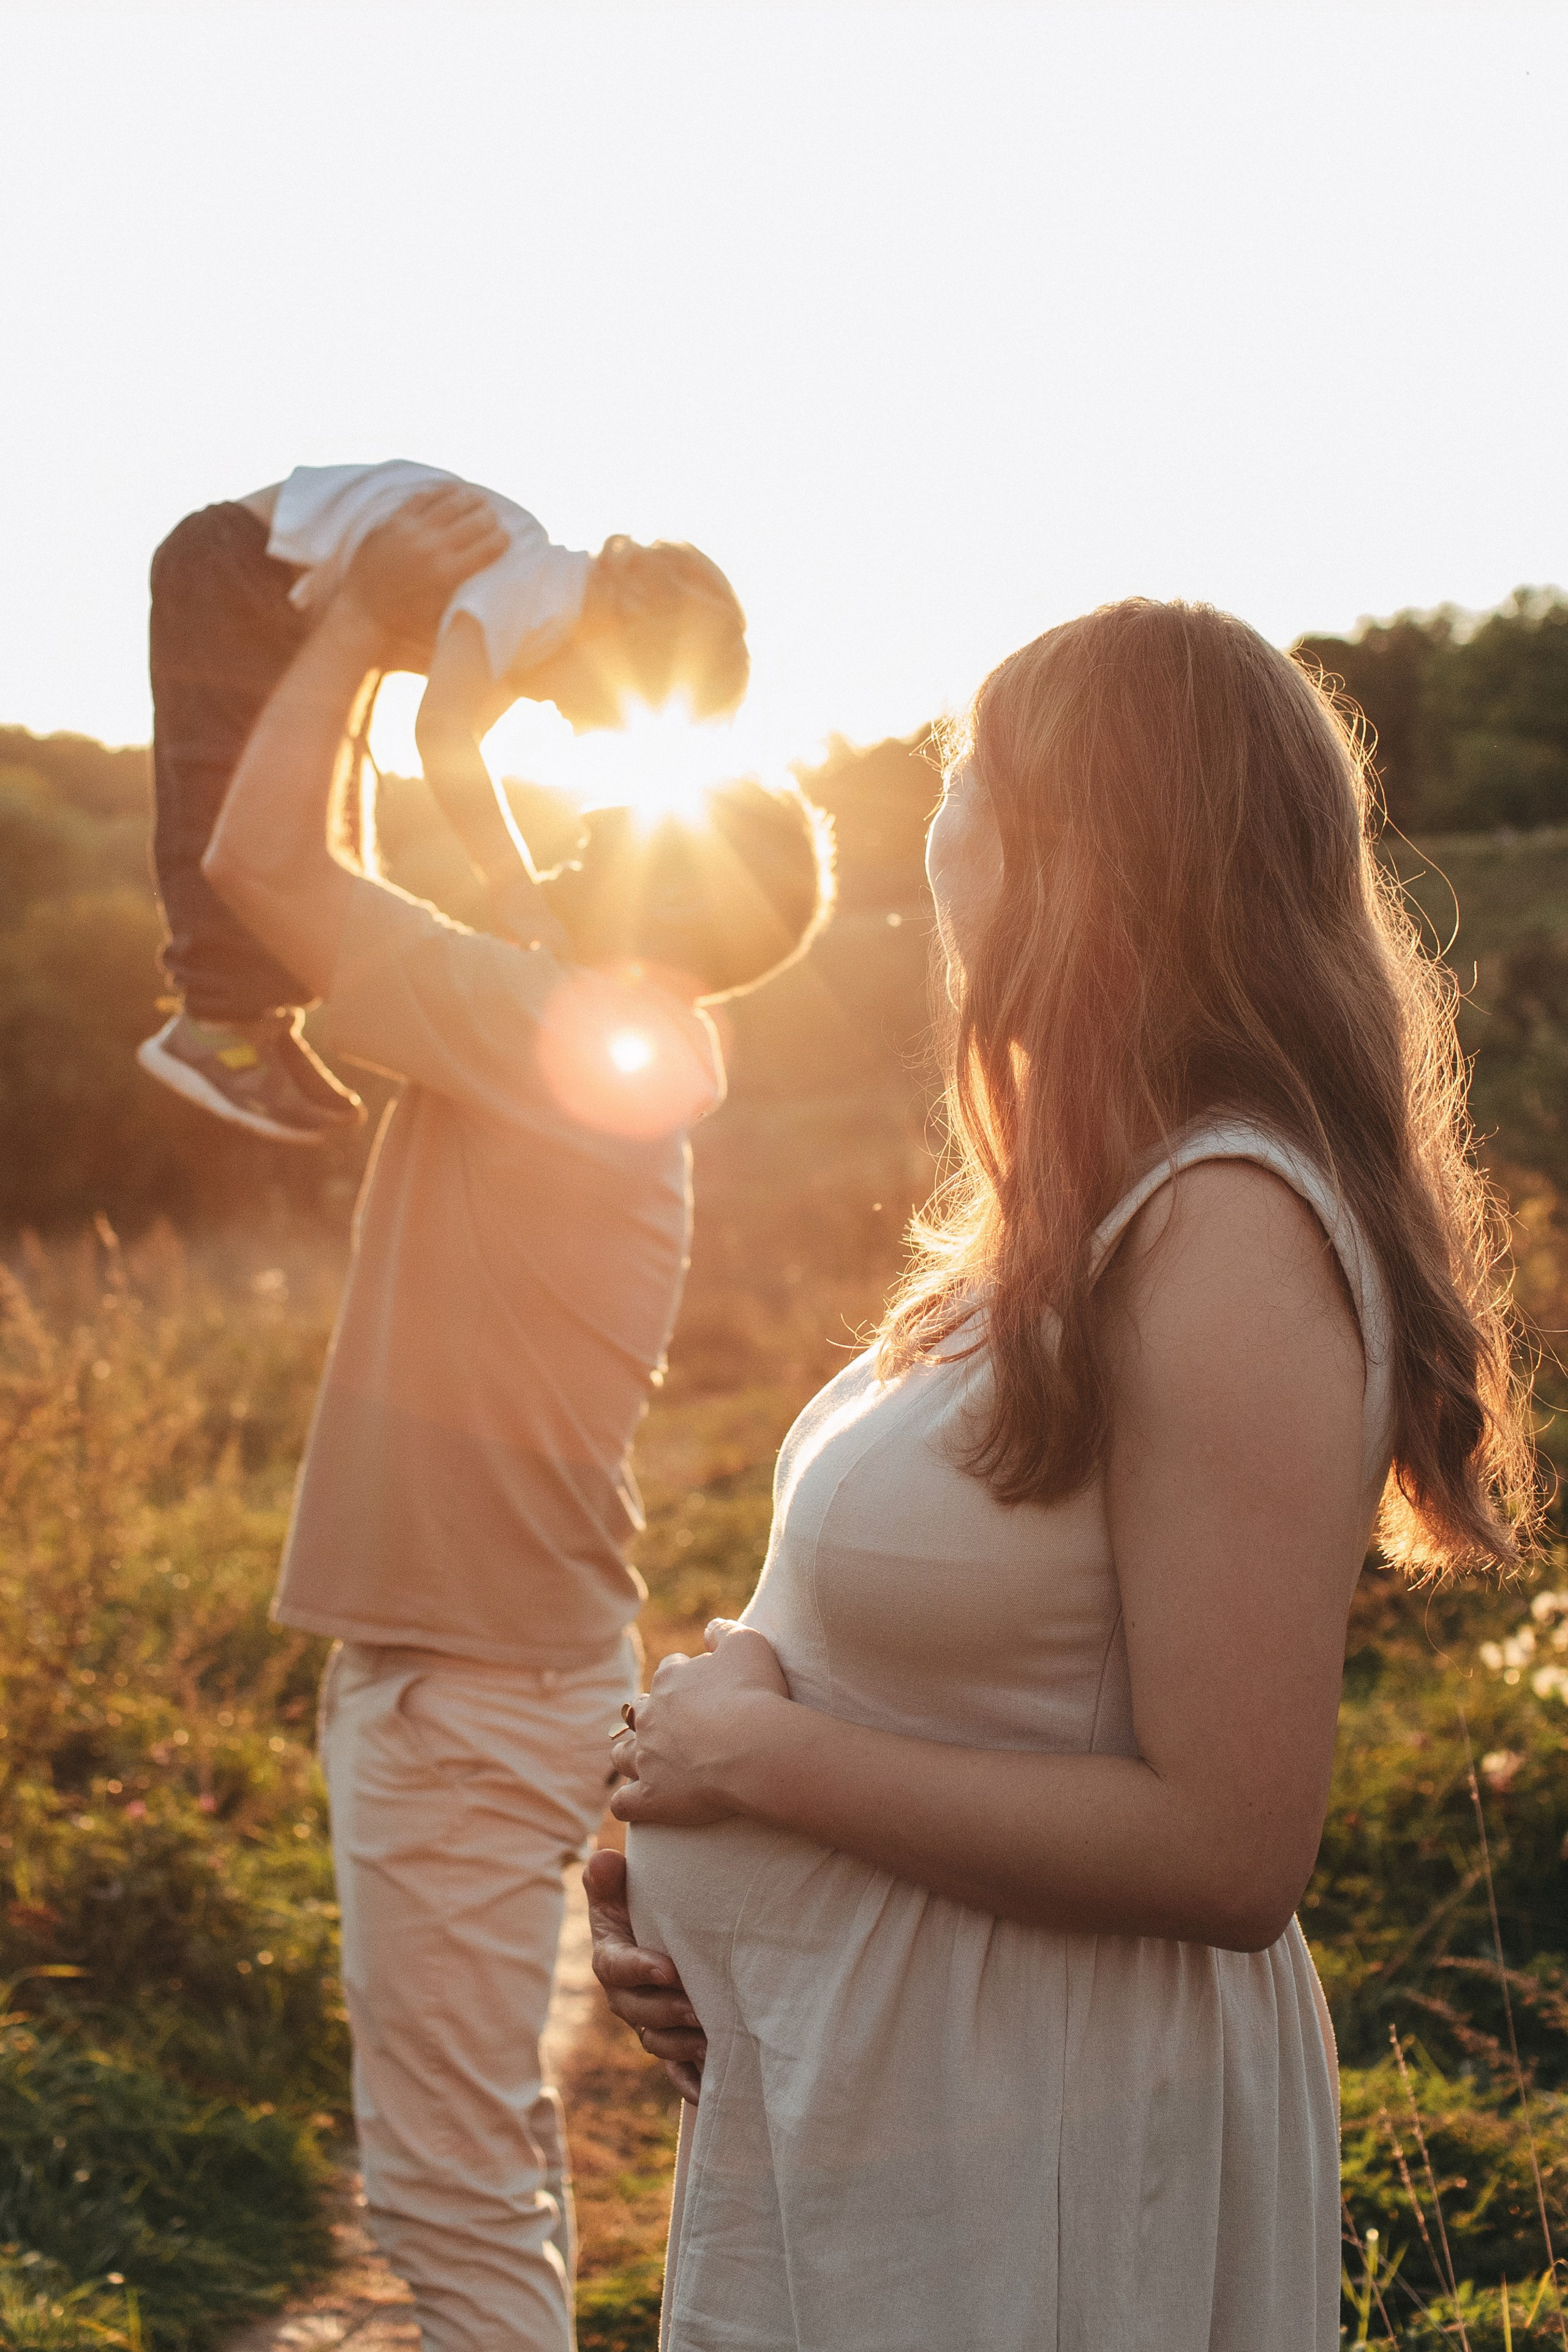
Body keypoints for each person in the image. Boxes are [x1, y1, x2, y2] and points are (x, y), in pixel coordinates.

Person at [589, 598, 1536, 2351]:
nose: (937, 824)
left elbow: (1230, 1846)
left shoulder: (1229, 1228)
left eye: (966, 776)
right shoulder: (1062, 1220)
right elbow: (961, 1647)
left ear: (1080, 848)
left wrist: (765, 1760)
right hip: (890, 2103)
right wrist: (678, 1819)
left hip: (1046, 2139)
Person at [198, 482, 832, 2352]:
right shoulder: (617, 1042)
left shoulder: (558, 1036)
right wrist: (453, 734)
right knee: (487, 2154)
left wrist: (355, 625)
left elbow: (256, 861)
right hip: (508, 1656)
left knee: (445, 2183)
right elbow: (480, 881)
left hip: (465, 1684)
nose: (544, 837)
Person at [140, 459, 748, 1142]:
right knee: (223, 783)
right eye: (602, 708)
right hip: (239, 564)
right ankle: (213, 1023)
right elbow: (442, 733)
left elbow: (465, 736)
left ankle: (261, 1016)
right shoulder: (534, 593)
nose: (577, 725)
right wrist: (513, 889)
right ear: (622, 642)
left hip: (287, 586)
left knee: (330, 805)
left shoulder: (541, 602)